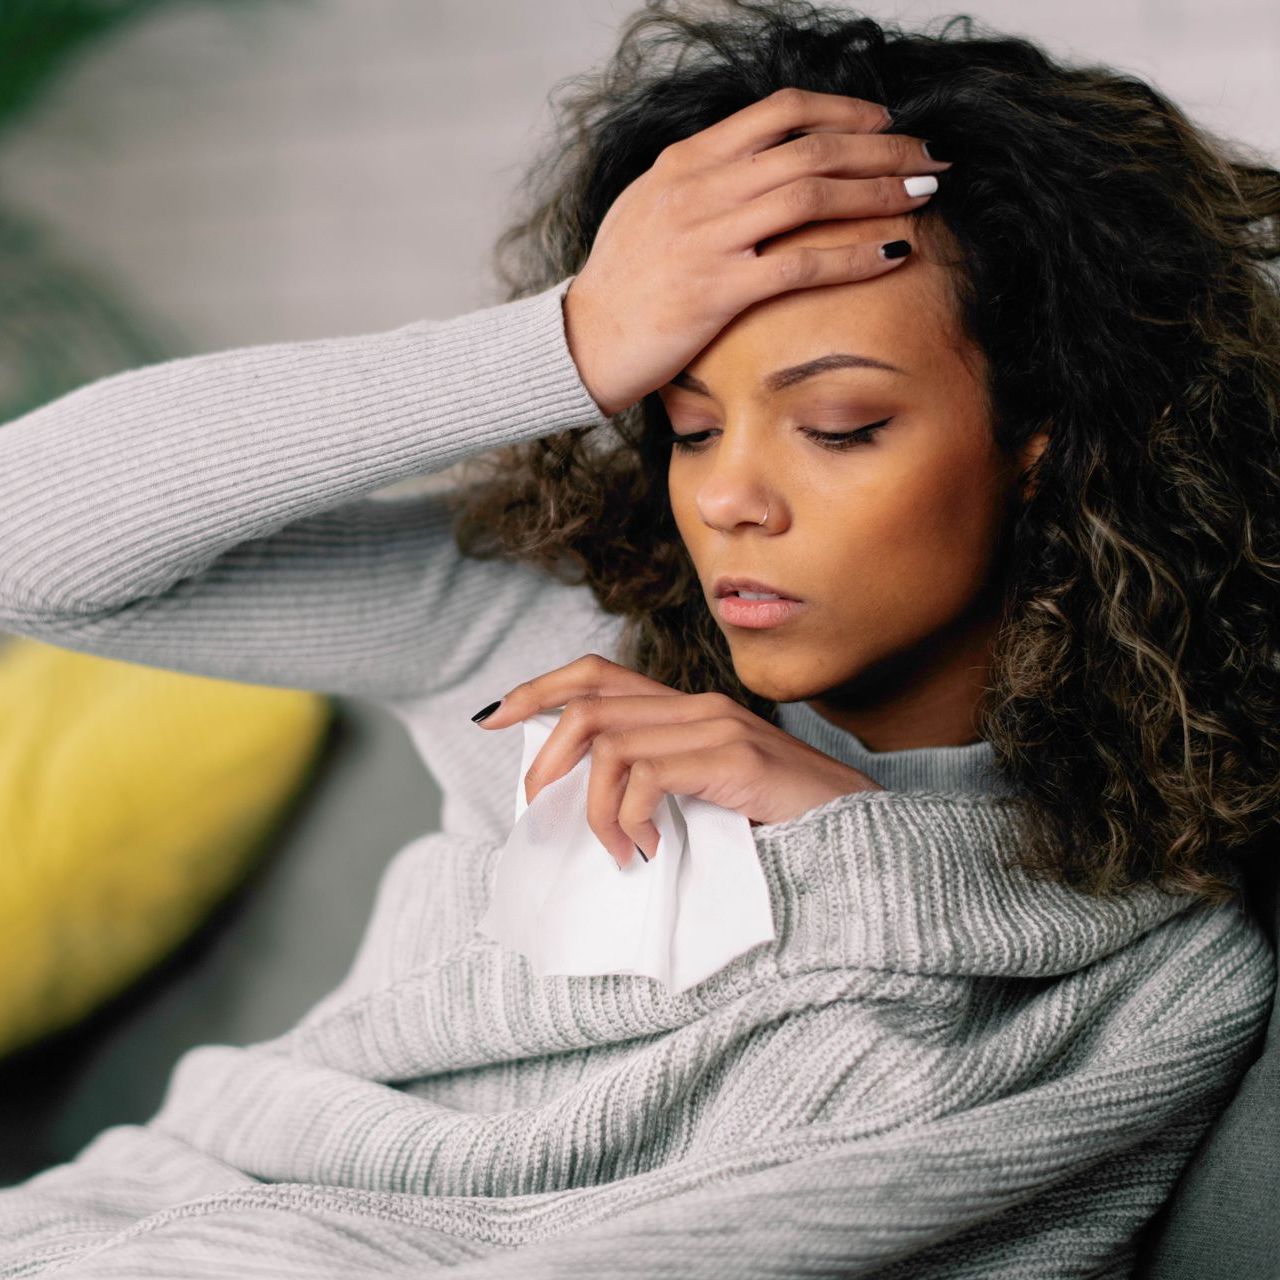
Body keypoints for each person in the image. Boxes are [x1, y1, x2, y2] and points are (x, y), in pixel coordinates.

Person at [0, 0, 1276, 1274]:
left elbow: (861, 1205)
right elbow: (26, 540)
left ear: (1046, 443)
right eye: (686, 421)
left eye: (835, 426)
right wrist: (564, 339)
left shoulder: (1160, 938)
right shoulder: (550, 614)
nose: (728, 497)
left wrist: (849, 839)